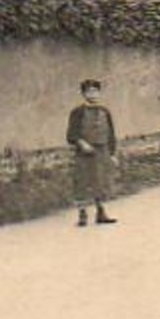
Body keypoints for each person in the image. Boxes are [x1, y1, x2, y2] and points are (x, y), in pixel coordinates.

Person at [66, 79, 119, 227]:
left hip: (102, 151)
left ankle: (101, 213)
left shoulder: (105, 111)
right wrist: (82, 144)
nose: (93, 94)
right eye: (89, 91)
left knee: (101, 182)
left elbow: (111, 134)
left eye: (96, 91)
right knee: (82, 182)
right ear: (83, 94)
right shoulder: (77, 112)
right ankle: (82, 214)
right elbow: (71, 134)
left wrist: (113, 154)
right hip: (84, 153)